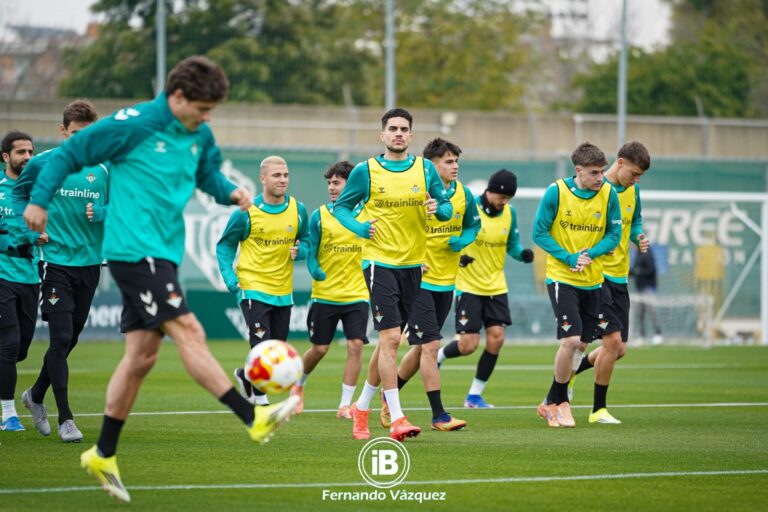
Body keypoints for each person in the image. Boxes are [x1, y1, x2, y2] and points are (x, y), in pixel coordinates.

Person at [24, 57, 297, 504]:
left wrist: (229, 190)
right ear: (177, 97)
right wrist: (38, 201)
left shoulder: (199, 133)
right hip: (134, 250)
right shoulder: (133, 124)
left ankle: (103, 453)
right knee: (188, 329)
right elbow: (70, 154)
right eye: (202, 108)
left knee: (141, 356)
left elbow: (206, 174)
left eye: (212, 110)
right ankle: (253, 417)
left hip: (163, 253)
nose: (207, 118)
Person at [333, 107, 453, 441]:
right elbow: (341, 207)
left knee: (391, 342)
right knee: (389, 339)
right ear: (382, 135)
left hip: (413, 265)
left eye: (404, 129)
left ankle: (362, 406)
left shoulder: (425, 169)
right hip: (378, 262)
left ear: (411, 136)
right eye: (392, 129)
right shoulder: (365, 171)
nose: (398, 134)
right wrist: (358, 227)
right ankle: (398, 416)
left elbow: (444, 207)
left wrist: (437, 209)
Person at [12, 100, 108, 443]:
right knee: (61, 338)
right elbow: (15, 196)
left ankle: (35, 395)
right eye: (76, 133)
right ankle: (66, 418)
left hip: (90, 265)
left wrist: (103, 212)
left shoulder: (104, 169)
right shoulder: (42, 164)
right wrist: (29, 229)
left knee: (71, 339)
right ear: (63, 131)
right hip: (54, 263)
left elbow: (124, 207)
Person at [381, 138, 478, 431]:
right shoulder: (415, 192)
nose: (455, 166)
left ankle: (389, 397)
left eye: (456, 161)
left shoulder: (463, 194)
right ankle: (439, 415)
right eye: (449, 162)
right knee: (431, 345)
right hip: (417, 280)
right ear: (432, 166)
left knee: (423, 346)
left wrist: (462, 241)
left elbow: (473, 224)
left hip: (447, 283)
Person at [532, 142, 621, 428]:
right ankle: (561, 403)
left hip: (594, 280)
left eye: (603, 172)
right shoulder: (555, 192)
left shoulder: (608, 193)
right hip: (562, 277)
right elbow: (539, 233)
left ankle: (549, 401)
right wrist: (568, 257)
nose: (600, 178)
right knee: (570, 340)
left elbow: (614, 234)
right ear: (578, 170)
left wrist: (590, 255)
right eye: (594, 173)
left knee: (582, 343)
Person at [565, 141, 652, 423]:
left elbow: (634, 221)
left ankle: (566, 376)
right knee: (612, 343)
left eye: (640, 177)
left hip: (619, 278)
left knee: (618, 350)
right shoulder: (597, 190)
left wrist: (637, 236)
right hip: (597, 277)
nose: (636, 180)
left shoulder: (633, 191)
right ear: (621, 162)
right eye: (634, 173)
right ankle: (597, 410)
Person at [436, 169, 535, 408]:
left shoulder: (509, 214)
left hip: (496, 286)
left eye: (509, 198)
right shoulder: (470, 210)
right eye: (502, 197)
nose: (505, 202)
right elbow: (447, 240)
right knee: (468, 345)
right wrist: (458, 257)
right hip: (468, 285)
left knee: (496, 339)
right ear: (490, 191)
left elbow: (512, 245)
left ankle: (474, 396)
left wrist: (522, 255)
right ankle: (439, 356)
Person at [217, 155, 309, 406]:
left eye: (286, 175)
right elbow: (225, 246)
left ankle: (246, 377)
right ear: (262, 178)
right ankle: (261, 400)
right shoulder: (247, 212)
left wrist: (301, 252)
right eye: (277, 175)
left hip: (283, 290)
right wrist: (230, 278)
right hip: (252, 287)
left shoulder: (298, 210)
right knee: (262, 346)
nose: (282, 180)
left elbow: (308, 241)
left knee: (277, 349)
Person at [288, 161, 369, 419]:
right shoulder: (320, 216)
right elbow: (310, 250)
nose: (332, 188)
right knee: (320, 349)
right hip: (325, 294)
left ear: (350, 185)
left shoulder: (367, 214)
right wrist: (309, 263)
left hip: (358, 294)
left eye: (337, 183)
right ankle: (298, 385)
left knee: (356, 345)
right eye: (330, 183)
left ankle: (345, 405)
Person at [0, 131, 39, 433]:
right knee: (9, 344)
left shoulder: (39, 192)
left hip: (30, 277)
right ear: (6, 157)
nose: (26, 156)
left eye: (30, 151)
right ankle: (8, 414)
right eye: (20, 152)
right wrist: (14, 246)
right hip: (2, 277)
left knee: (21, 348)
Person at [632, 247, 663, 345]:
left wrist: (639, 272)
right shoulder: (638, 254)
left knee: (652, 311)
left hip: (648, 288)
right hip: (640, 288)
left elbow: (651, 270)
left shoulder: (647, 253)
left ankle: (658, 334)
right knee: (640, 313)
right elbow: (635, 271)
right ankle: (641, 336)